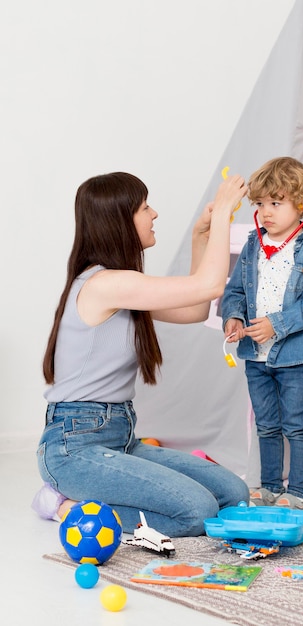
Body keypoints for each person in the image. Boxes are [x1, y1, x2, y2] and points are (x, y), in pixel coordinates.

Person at [32, 171, 250, 537]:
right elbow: (209, 284)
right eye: (145, 207)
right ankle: (61, 503)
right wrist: (227, 206)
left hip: (120, 436)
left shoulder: (123, 285)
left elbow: (196, 308)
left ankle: (85, 495)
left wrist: (201, 237)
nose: (155, 214)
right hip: (74, 445)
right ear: (120, 220)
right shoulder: (104, 284)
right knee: (197, 512)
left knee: (234, 495)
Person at [221, 157, 303, 511]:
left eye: (276, 202)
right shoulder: (254, 245)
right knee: (267, 425)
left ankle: (298, 492)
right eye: (260, 204)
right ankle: (270, 487)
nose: (266, 211)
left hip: (296, 357)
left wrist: (277, 325)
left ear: (301, 205)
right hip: (257, 355)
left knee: (296, 426)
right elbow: (235, 290)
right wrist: (234, 318)